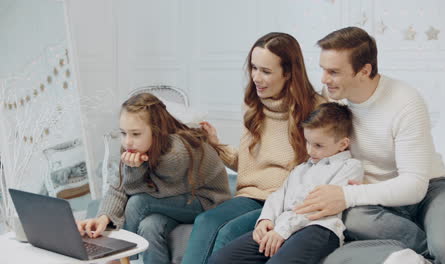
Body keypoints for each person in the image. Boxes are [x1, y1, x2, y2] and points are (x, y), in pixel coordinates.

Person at [292, 26, 445, 263]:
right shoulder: (332, 96)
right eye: (323, 69)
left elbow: (414, 185)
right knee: (352, 219)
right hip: (373, 196)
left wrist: (347, 194)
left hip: (430, 188)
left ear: (364, 70)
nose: (324, 79)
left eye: (333, 71)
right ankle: (428, 253)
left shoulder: (405, 102)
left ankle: (438, 246)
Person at [181, 32, 325, 264]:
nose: (256, 77)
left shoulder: (317, 110)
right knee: (206, 221)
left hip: (285, 200)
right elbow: (249, 164)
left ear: (288, 73)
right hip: (250, 196)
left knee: (230, 231)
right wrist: (215, 144)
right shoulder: (254, 108)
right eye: (253, 68)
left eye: (266, 71)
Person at [76, 93, 231, 264]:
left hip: (207, 201)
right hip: (177, 201)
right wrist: (103, 218)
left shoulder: (176, 154)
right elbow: (118, 187)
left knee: (138, 203)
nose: (127, 141)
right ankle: (123, 257)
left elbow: (142, 192)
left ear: (156, 131)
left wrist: (134, 169)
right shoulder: (136, 150)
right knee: (150, 226)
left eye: (135, 134)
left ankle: (121, 258)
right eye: (123, 133)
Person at [208, 102, 364, 264]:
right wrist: (265, 220)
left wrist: (282, 231)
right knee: (220, 259)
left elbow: (319, 207)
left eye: (318, 145)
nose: (310, 150)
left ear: (343, 144)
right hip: (281, 225)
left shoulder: (350, 167)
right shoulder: (302, 168)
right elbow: (278, 196)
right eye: (308, 142)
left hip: (318, 227)